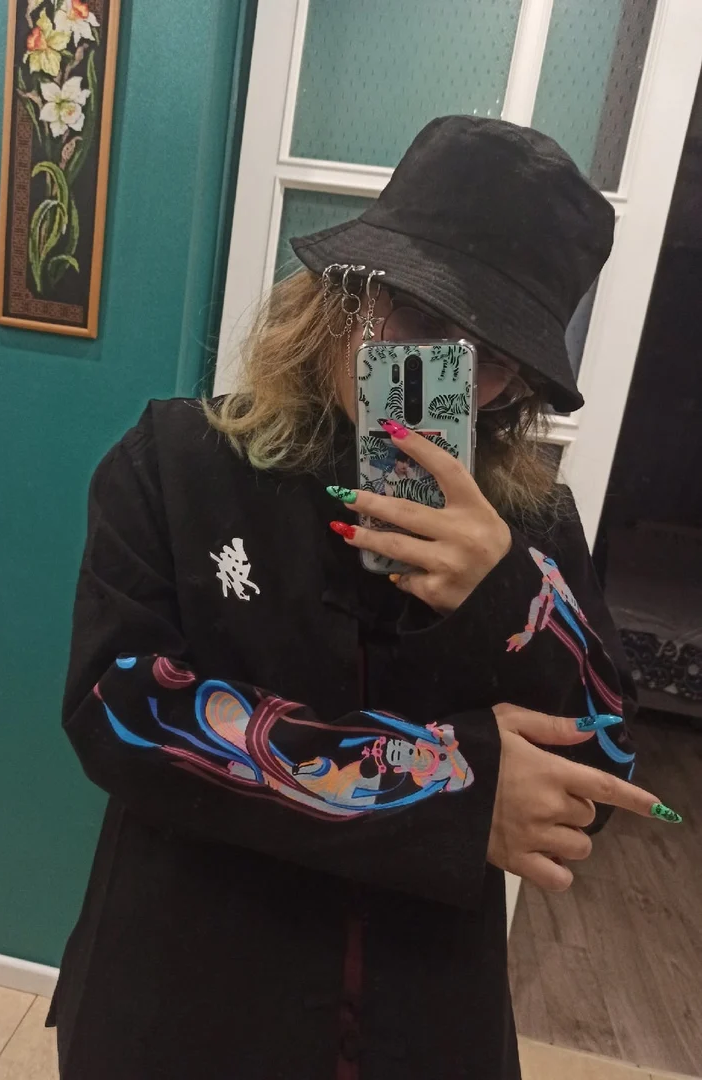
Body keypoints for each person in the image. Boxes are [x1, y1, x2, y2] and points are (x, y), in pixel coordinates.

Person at [47, 116, 681, 1080]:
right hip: (185, 1000)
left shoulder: (532, 526)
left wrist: (510, 594)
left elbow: (599, 770)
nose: (447, 376)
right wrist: (441, 784)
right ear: (342, 297)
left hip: (416, 1021)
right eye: (419, 317)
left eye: (491, 357)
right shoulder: (176, 464)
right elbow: (123, 710)